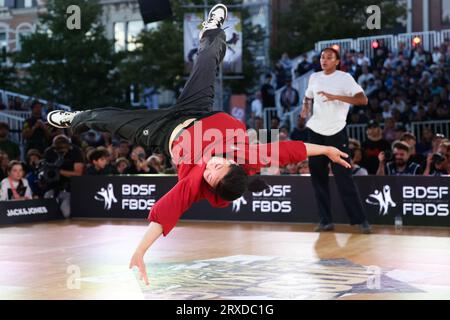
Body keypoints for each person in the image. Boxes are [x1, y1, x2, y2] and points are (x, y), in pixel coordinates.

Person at [46, 4, 351, 285]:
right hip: (197, 111)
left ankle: (75, 118)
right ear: (234, 163)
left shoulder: (195, 183)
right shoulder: (249, 156)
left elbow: (167, 210)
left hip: (161, 135)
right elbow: (288, 152)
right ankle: (213, 29)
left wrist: (140, 251)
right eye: (217, 166)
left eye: (209, 175)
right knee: (205, 61)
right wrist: (325, 149)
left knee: (110, 120)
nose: (208, 167)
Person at [301, 47, 372, 234]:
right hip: (315, 132)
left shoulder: (345, 78)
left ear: (337, 61)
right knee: (318, 178)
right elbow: (308, 97)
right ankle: (326, 221)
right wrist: (305, 109)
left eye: (329, 57)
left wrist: (336, 97)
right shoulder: (314, 77)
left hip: (336, 132)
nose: (324, 60)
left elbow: (362, 100)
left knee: (344, 178)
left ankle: (360, 220)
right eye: (322, 57)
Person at [42, 134, 85, 217]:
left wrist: (59, 172)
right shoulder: (49, 152)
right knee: (47, 212)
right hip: (52, 186)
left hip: (69, 188)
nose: (60, 152)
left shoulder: (76, 151)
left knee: (66, 213)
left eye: (63, 150)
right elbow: (46, 170)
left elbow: (78, 174)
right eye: (57, 150)